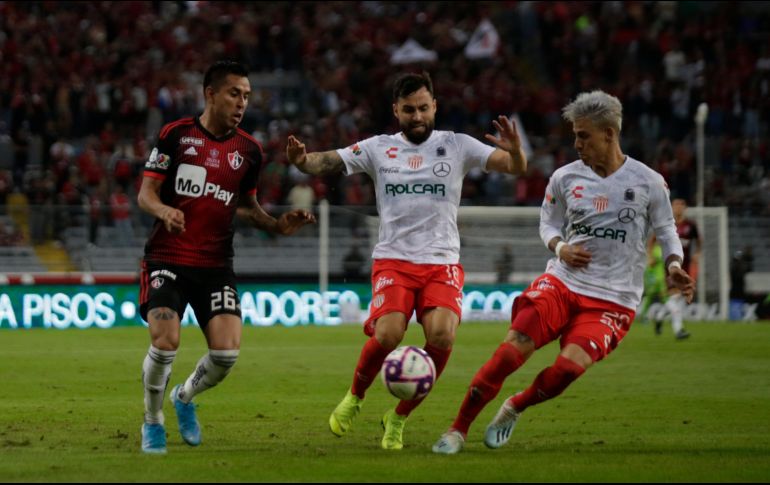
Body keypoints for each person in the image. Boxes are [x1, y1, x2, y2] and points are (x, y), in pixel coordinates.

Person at [432, 90, 695, 454]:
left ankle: (515, 406)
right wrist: (560, 247)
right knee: (510, 353)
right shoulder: (564, 177)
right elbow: (548, 225)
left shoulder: (649, 182)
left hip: (613, 299)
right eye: (574, 135)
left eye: (583, 135)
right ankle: (456, 430)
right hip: (563, 282)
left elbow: (667, 232)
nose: (577, 143)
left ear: (609, 133)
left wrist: (675, 264)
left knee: (568, 370)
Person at [286, 71, 527, 450]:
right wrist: (303, 161)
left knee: (443, 336)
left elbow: (515, 168)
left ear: (435, 107)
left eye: (424, 109)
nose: (418, 117)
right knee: (389, 334)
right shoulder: (379, 148)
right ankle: (355, 397)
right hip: (394, 260)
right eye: (410, 110)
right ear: (396, 110)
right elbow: (329, 161)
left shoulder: (457, 145)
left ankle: (397, 419)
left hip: (441, 261)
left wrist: (515, 151)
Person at [136, 61, 316, 454]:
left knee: (226, 353)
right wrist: (164, 211)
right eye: (235, 93)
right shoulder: (176, 135)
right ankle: (152, 422)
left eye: (247, 96)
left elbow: (247, 207)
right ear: (211, 93)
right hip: (168, 257)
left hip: (215, 265)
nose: (242, 103)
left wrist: (276, 225)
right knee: (166, 340)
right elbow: (145, 194)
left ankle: (183, 397)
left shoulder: (249, 151)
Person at [667, 198, 702, 339]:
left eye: (682, 204)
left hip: (685, 265)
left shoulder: (690, 226)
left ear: (685, 208)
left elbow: (699, 241)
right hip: (669, 265)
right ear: (671, 207)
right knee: (675, 296)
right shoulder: (667, 224)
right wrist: (651, 256)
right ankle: (678, 330)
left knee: (678, 298)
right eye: (676, 204)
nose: (678, 207)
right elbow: (652, 241)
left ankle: (657, 317)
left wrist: (697, 253)